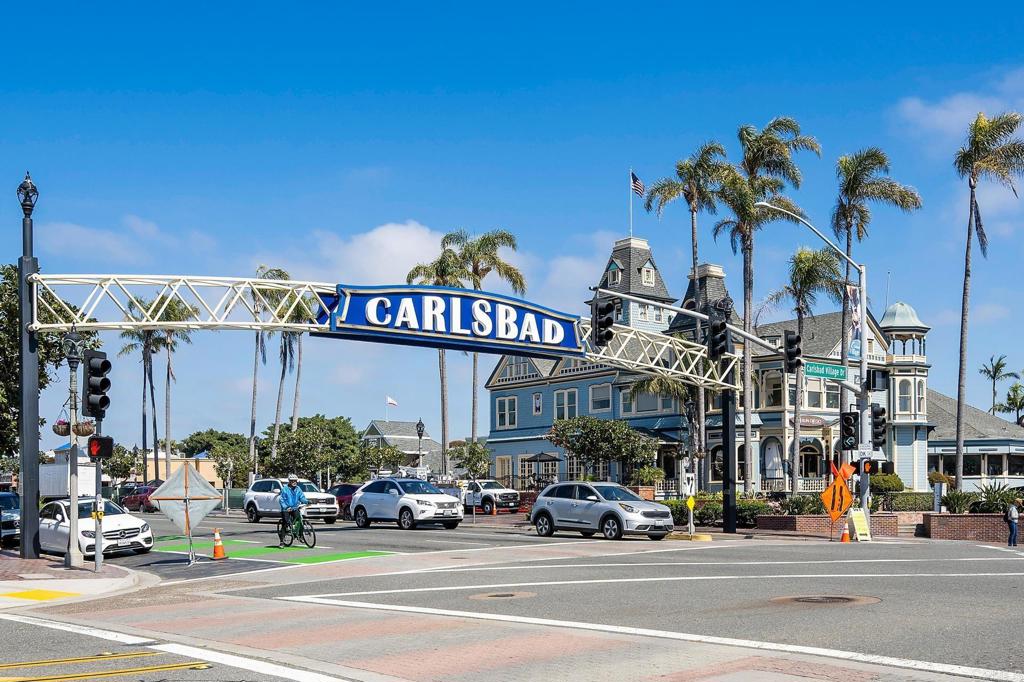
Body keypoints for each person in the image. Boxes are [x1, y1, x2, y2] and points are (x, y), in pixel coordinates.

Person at [278, 474, 308, 547]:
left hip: (294, 508)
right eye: (292, 481)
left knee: (299, 520)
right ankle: (282, 541)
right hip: (286, 509)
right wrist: (286, 507)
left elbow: (302, 497)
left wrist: (306, 501)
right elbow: (281, 500)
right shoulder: (285, 489)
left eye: (295, 481)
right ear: (289, 481)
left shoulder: (298, 489)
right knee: (285, 523)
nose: (294, 482)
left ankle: (300, 536)